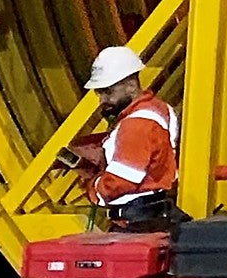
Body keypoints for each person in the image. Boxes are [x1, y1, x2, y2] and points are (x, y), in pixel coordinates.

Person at [67, 44, 182, 227]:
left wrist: (93, 187)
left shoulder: (137, 123)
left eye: (108, 92)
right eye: (99, 93)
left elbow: (121, 181)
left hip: (136, 222)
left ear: (131, 85)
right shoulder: (159, 109)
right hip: (155, 213)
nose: (102, 100)